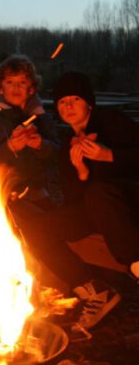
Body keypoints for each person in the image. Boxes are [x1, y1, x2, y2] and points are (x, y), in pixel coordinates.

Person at [21, 71, 139, 330]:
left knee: (98, 192)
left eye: (75, 99)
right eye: (62, 102)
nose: (68, 106)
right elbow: (76, 199)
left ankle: (137, 266)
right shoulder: (68, 144)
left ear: (89, 103)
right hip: (99, 211)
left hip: (131, 203)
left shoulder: (111, 121)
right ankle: (94, 290)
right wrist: (81, 171)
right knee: (36, 228)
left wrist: (109, 156)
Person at [0, 54, 59, 211]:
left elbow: (58, 152)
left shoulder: (41, 118)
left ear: (31, 89)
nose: (16, 88)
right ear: (0, 88)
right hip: (4, 197)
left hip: (41, 194)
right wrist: (8, 148)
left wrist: (41, 145)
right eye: (10, 82)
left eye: (22, 82)